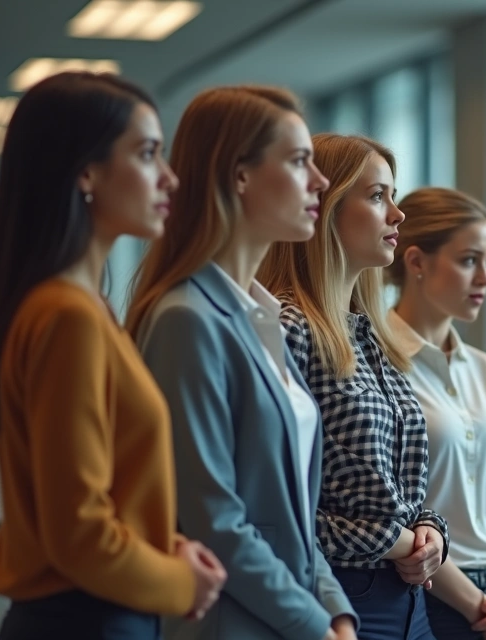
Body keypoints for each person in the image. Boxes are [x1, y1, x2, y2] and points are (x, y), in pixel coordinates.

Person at [0, 71, 225, 639]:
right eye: (148, 154)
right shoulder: (67, 316)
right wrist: (181, 583)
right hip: (84, 619)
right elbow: (78, 533)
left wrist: (167, 546)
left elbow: (96, 498)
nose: (170, 178)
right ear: (85, 171)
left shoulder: (83, 307)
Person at [125, 86, 358, 640]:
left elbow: (292, 515)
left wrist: (336, 612)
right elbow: (215, 520)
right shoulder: (188, 318)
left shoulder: (263, 317)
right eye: (300, 162)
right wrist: (316, 625)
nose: (320, 182)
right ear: (240, 176)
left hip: (292, 617)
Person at [258, 134, 448, 640]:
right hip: (338, 598)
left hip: (410, 603)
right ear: (325, 207)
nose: (398, 215)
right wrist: (398, 542)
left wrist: (429, 531)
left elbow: (394, 487)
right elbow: (275, 507)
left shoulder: (371, 334)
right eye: (378, 195)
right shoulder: (284, 330)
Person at [386, 187, 486, 640]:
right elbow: (390, 512)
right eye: (470, 260)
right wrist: (477, 607)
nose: (485, 278)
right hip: (424, 595)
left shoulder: (485, 369)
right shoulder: (378, 363)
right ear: (416, 262)